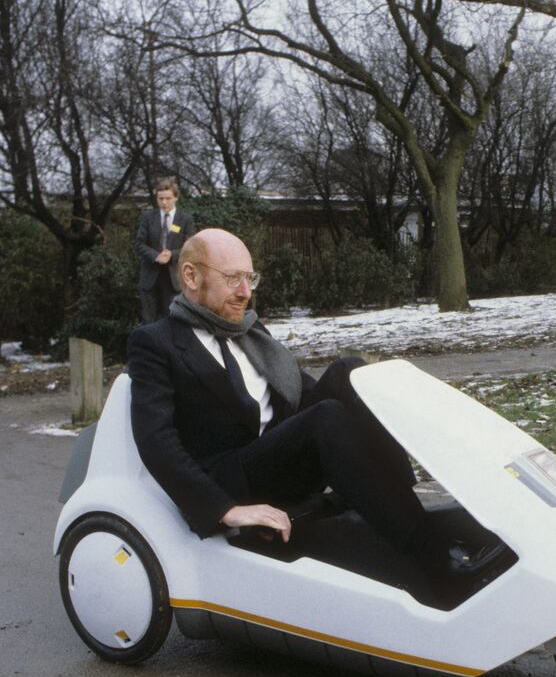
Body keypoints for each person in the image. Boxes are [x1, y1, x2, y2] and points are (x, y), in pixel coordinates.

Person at [126, 228, 509, 603]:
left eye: (249, 278)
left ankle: (404, 504)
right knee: (325, 417)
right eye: (232, 279)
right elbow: (155, 440)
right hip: (233, 478)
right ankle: (435, 561)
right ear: (190, 276)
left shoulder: (247, 329)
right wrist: (225, 510)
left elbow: (296, 390)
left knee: (351, 373)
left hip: (278, 457)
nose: (246, 292)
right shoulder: (156, 343)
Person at [134, 178, 196, 323]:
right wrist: (156, 256)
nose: (164, 202)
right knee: (148, 322)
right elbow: (139, 244)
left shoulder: (185, 219)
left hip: (174, 278)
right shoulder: (147, 218)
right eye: (160, 198)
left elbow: (191, 247)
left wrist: (172, 255)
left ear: (176, 198)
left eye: (168, 198)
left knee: (173, 321)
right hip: (150, 278)